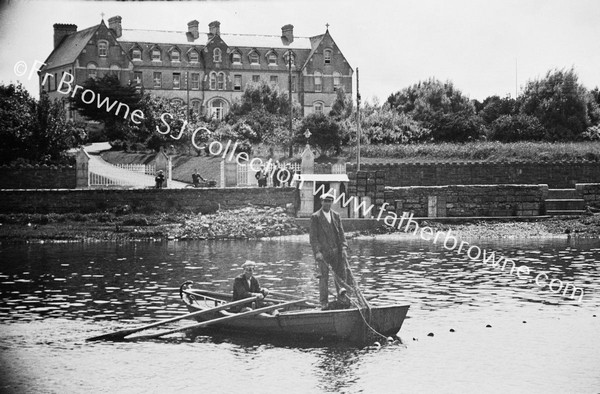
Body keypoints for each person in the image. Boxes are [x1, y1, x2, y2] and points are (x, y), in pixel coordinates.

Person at [309, 192, 352, 309]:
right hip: (323, 254)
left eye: (329, 201)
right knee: (323, 278)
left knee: (341, 276)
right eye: (325, 201)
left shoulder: (336, 216)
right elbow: (313, 237)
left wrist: (343, 247)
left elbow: (342, 234)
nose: (327, 203)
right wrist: (317, 252)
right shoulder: (316, 217)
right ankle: (324, 302)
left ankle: (342, 299)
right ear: (321, 202)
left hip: (336, 252)